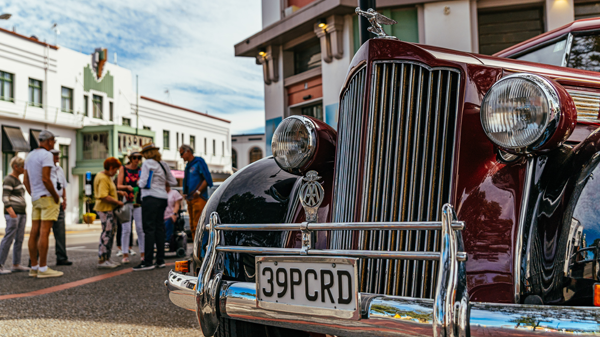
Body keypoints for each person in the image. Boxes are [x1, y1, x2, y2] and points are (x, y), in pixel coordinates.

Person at [23, 130, 63, 278]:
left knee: (34, 232)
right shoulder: (47, 155)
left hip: (36, 198)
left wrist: (33, 194)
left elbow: (25, 181)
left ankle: (33, 267)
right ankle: (44, 268)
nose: (54, 144)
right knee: (44, 232)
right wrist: (55, 196)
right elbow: (46, 179)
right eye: (54, 141)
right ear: (50, 141)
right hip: (47, 197)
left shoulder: (30, 155)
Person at [133, 143, 176, 271]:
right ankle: (160, 260)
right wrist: (160, 181)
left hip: (150, 198)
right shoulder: (163, 164)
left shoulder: (147, 163)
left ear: (146, 154)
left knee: (149, 229)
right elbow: (173, 181)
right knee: (159, 229)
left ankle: (147, 261)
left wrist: (139, 182)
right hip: (163, 198)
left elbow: (143, 182)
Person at [94, 157, 127, 269]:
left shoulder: (106, 177)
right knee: (107, 233)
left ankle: (106, 258)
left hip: (107, 209)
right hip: (105, 209)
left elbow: (107, 191)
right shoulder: (103, 178)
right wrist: (118, 202)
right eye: (116, 169)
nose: (116, 172)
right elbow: (103, 196)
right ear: (111, 168)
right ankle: (102, 259)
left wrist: (118, 192)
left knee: (109, 233)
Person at [0, 157, 30, 274]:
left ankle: (16, 264)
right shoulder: (9, 179)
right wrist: (11, 212)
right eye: (22, 166)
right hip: (13, 214)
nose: (24, 169)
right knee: (8, 239)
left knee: (20, 239)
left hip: (22, 213)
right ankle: (0, 264)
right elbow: (5, 197)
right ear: (15, 167)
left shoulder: (18, 180)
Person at [179, 144, 212, 242]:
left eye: (181, 154)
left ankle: (202, 249)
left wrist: (198, 192)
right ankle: (196, 250)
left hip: (199, 197)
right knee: (193, 226)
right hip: (190, 198)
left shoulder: (198, 162)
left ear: (188, 151)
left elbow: (206, 179)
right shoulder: (188, 166)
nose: (181, 157)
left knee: (199, 224)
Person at [116, 152, 144, 264]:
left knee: (140, 228)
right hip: (127, 200)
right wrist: (127, 187)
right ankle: (125, 254)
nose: (137, 160)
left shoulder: (141, 170)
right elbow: (118, 185)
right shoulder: (123, 168)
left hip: (138, 201)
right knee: (126, 229)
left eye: (139, 158)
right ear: (130, 159)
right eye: (134, 158)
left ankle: (143, 253)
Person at [50, 149, 72, 266]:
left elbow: (63, 186)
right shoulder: (46, 169)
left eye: (58, 154)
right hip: (49, 201)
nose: (57, 156)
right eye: (55, 155)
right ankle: (33, 260)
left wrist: (65, 199)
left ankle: (62, 257)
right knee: (43, 232)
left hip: (59, 201)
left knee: (60, 232)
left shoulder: (60, 169)